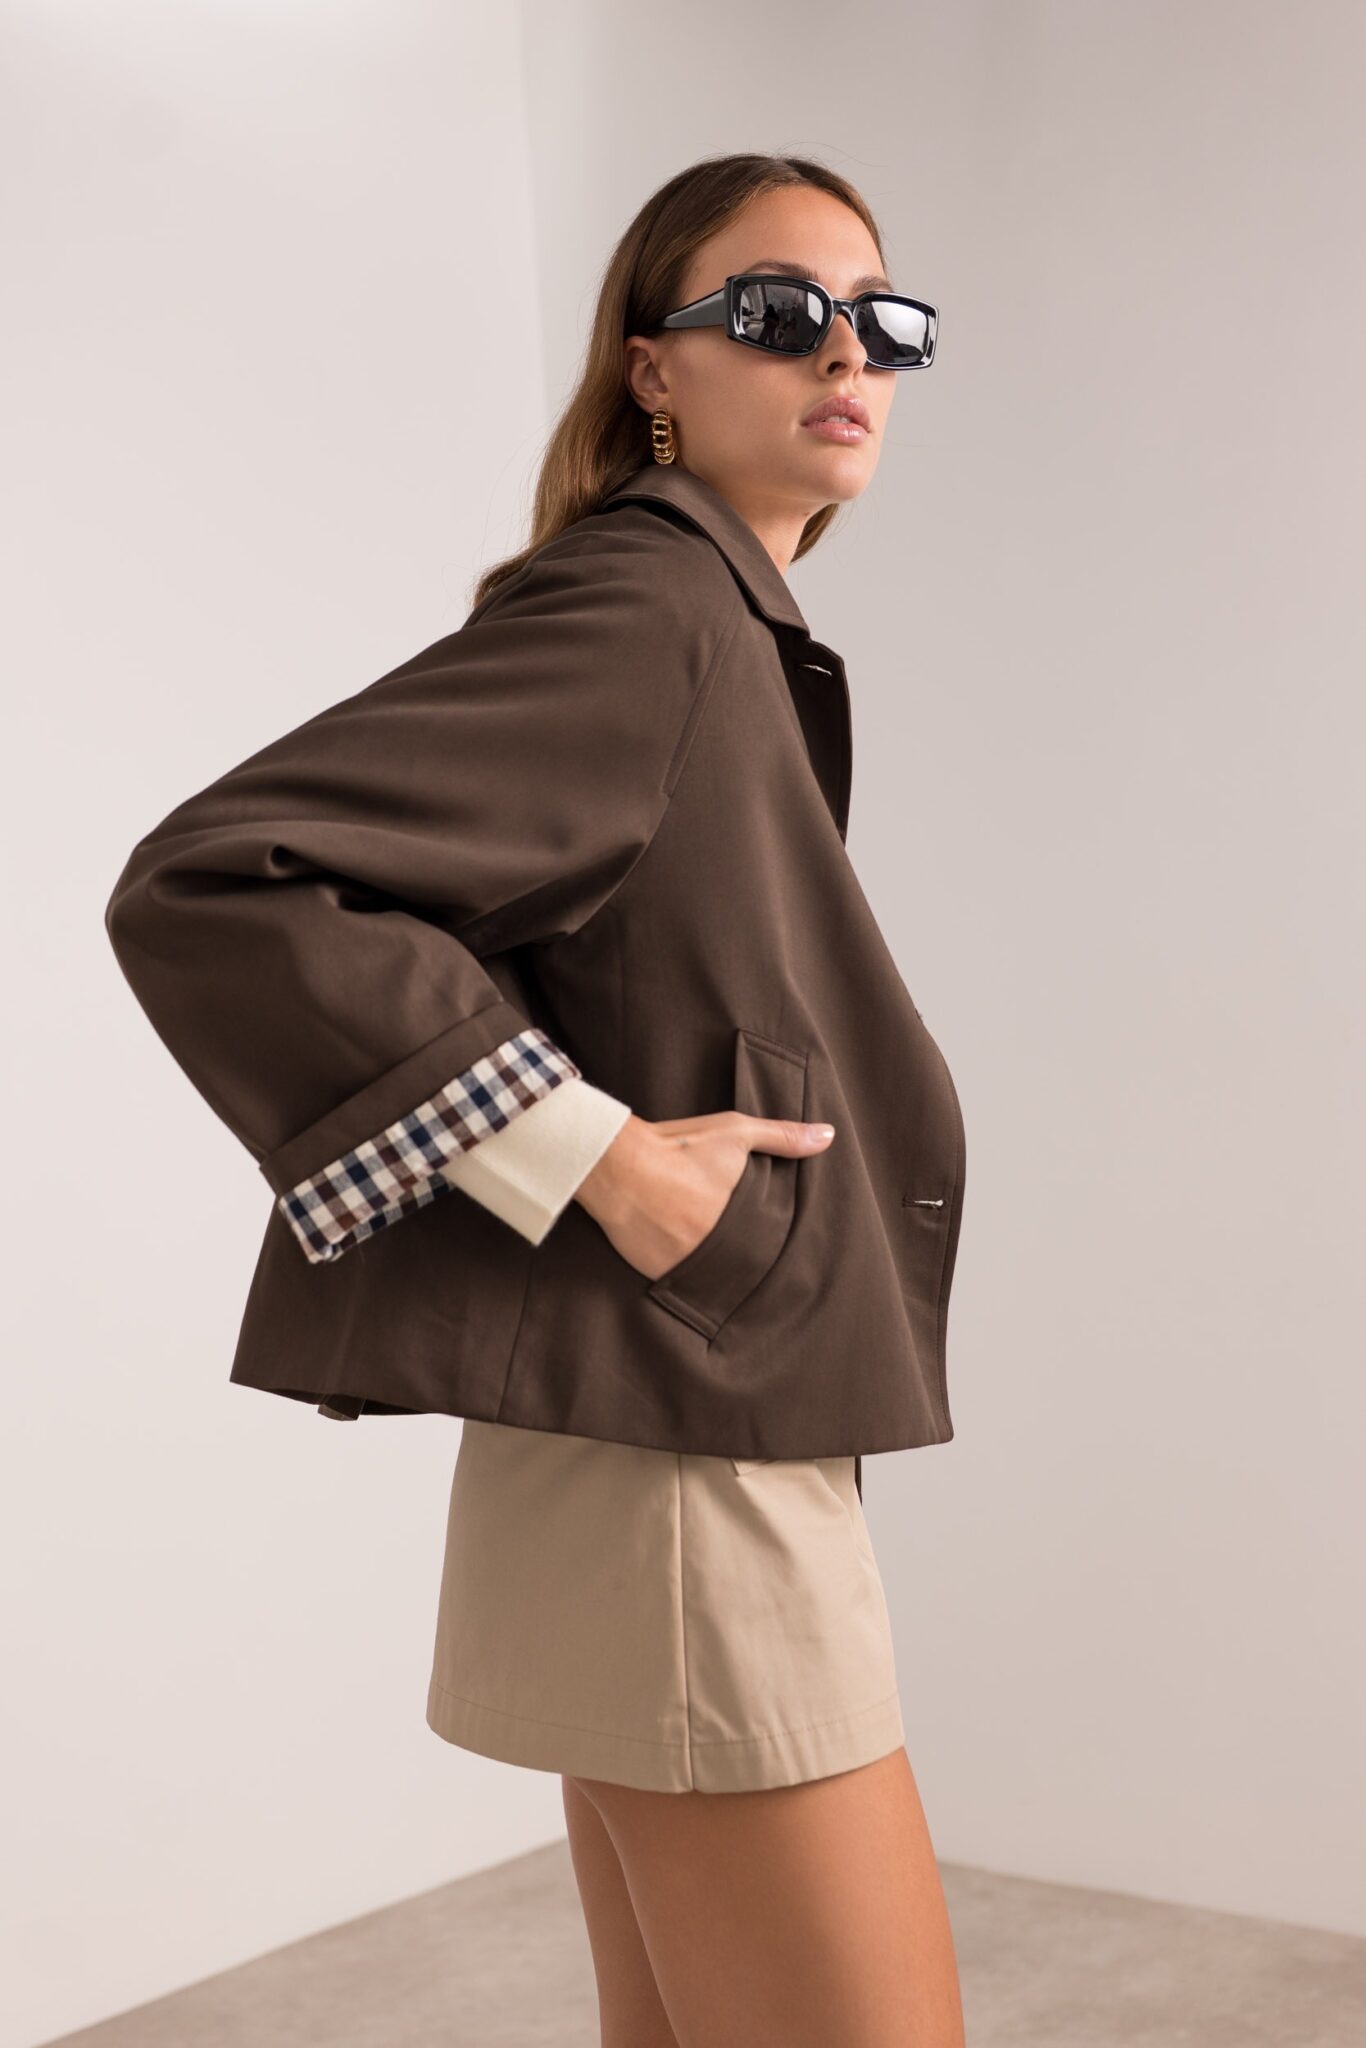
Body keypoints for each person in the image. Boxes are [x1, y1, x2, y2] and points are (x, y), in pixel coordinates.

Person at [105, 151, 966, 2048]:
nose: (845, 352)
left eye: (882, 319)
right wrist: (595, 1159)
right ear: (653, 365)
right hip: (682, 1460)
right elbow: (220, 881)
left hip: (665, 1422)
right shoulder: (656, 605)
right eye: (777, 310)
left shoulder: (719, 619)